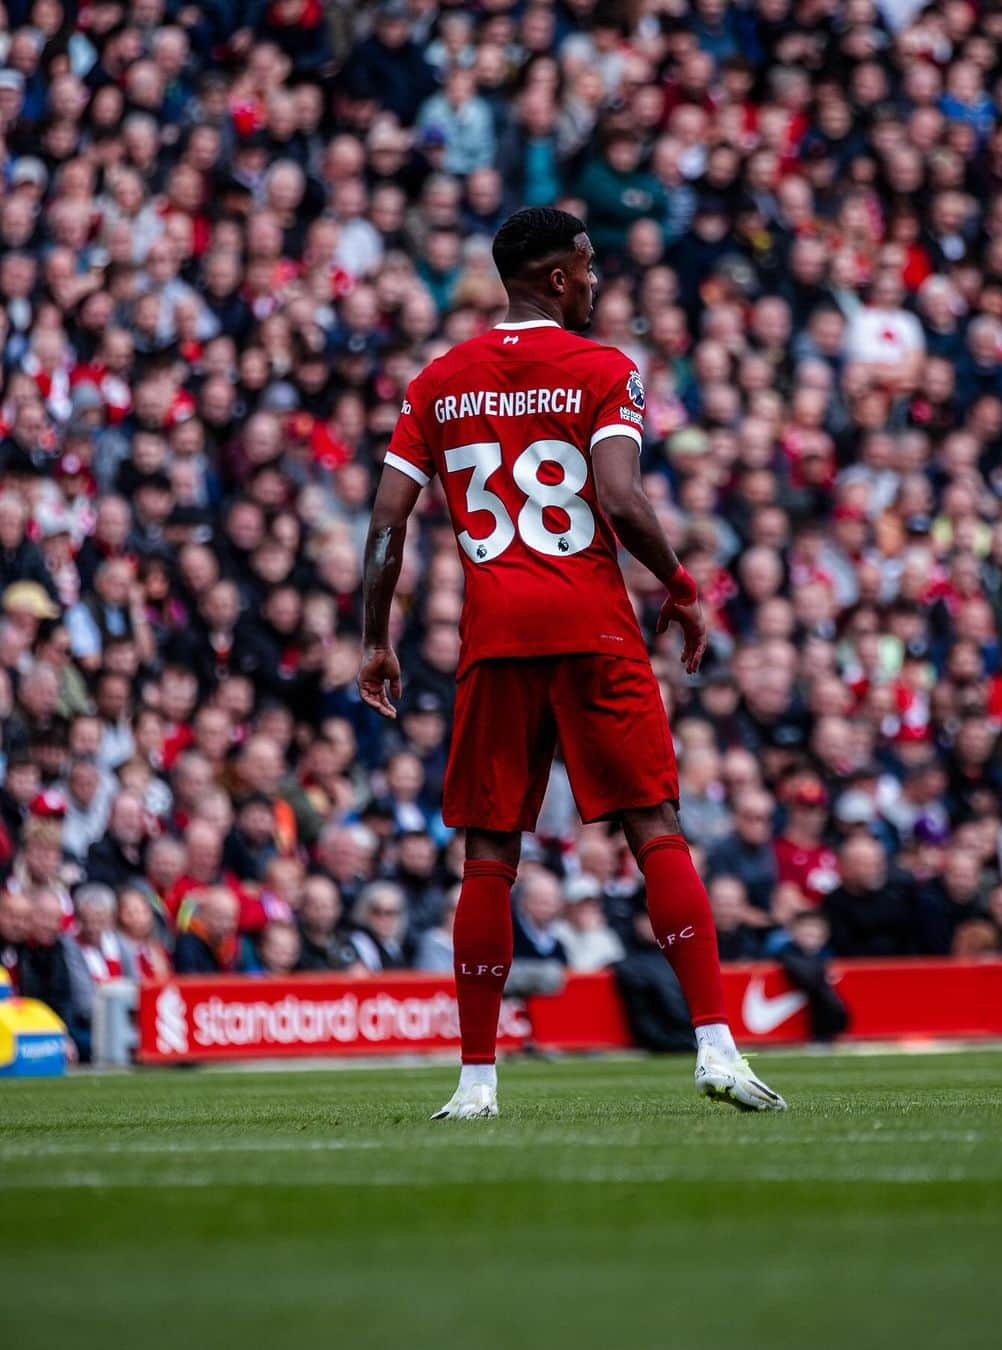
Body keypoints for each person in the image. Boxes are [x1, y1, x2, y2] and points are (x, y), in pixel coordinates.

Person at [358, 207, 784, 1117]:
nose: (595, 283)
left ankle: (476, 1083)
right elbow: (623, 500)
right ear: (556, 278)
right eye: (587, 269)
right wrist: (678, 584)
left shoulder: (437, 381)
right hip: (592, 626)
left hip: (497, 634)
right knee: (655, 830)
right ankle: (714, 1047)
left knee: (488, 854)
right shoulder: (605, 370)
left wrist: (375, 637)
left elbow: (388, 520)